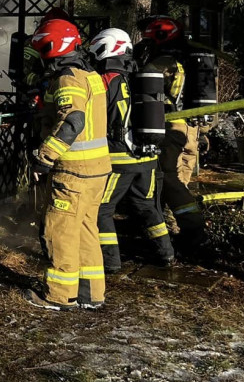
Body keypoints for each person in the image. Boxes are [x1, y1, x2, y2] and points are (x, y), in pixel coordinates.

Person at [23, 18, 112, 311]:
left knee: (59, 231)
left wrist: (45, 157)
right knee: (86, 229)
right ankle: (91, 294)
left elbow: (72, 121)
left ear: (51, 46)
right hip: (97, 171)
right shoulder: (91, 75)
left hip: (73, 172)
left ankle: (59, 295)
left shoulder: (67, 79)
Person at [88, 28, 175, 271]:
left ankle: (110, 262)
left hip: (118, 159)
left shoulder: (105, 79)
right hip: (146, 158)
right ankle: (166, 254)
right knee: (146, 207)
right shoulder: (138, 75)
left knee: (102, 209)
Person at [136, 16, 207, 250]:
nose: (147, 44)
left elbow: (145, 83)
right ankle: (177, 229)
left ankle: (194, 227)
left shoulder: (164, 62)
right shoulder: (190, 57)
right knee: (181, 178)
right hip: (192, 126)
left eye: (149, 39)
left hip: (172, 125)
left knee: (169, 180)